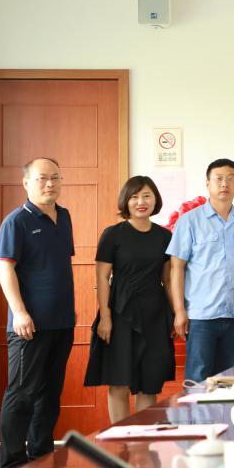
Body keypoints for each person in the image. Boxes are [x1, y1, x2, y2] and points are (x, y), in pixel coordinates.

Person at [0, 158, 75, 468]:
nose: (50, 184)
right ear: (26, 182)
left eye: (55, 177)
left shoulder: (64, 216)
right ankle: (12, 463)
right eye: (42, 178)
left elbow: (56, 266)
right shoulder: (16, 221)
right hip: (28, 325)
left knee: (50, 394)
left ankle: (40, 457)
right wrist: (19, 312)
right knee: (22, 394)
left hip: (62, 323)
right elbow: (5, 268)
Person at [84, 176, 174, 424]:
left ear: (155, 200)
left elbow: (168, 279)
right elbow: (102, 277)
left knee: (149, 383)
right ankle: (120, 440)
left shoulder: (164, 236)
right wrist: (105, 317)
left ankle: (143, 441)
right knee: (119, 381)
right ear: (126, 201)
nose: (141, 202)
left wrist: (175, 314)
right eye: (134, 196)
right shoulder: (113, 234)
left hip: (155, 313)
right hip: (120, 312)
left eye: (146, 196)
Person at [167, 158, 234, 382]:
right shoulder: (189, 221)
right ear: (207, 183)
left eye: (231, 178)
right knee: (197, 379)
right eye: (218, 178)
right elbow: (176, 268)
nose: (224, 184)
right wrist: (179, 311)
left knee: (229, 379)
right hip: (201, 316)